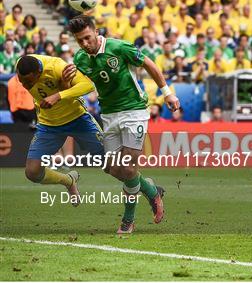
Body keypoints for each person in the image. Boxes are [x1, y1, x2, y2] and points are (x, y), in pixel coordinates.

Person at [64, 15, 180, 234]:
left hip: (133, 111)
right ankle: (150, 189)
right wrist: (67, 77)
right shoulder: (80, 59)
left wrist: (167, 94)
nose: (85, 44)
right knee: (110, 167)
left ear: (96, 32)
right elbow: (80, 85)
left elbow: (149, 63)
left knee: (127, 167)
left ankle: (128, 220)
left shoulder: (118, 47)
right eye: (80, 41)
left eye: (88, 38)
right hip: (108, 114)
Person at [15, 54, 103, 206]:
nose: (25, 86)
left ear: (38, 73)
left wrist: (59, 95)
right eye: (21, 81)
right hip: (49, 124)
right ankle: (68, 180)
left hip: (77, 118)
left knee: (111, 162)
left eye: (29, 81)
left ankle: (147, 188)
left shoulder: (57, 66)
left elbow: (89, 86)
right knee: (32, 172)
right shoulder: (22, 65)